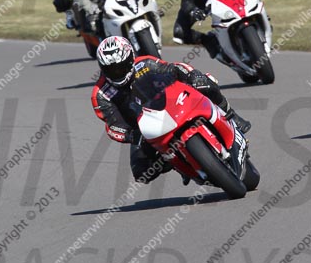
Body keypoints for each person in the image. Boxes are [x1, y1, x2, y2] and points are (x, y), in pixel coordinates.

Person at [91, 36, 252, 185]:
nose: (117, 72)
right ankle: (175, 162)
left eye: (121, 67)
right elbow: (112, 126)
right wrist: (132, 135)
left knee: (207, 83)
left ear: (131, 58)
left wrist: (193, 75)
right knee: (141, 172)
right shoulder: (101, 94)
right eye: (111, 69)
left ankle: (232, 116)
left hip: (171, 104)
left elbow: (175, 68)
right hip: (144, 130)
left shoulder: (145, 64)